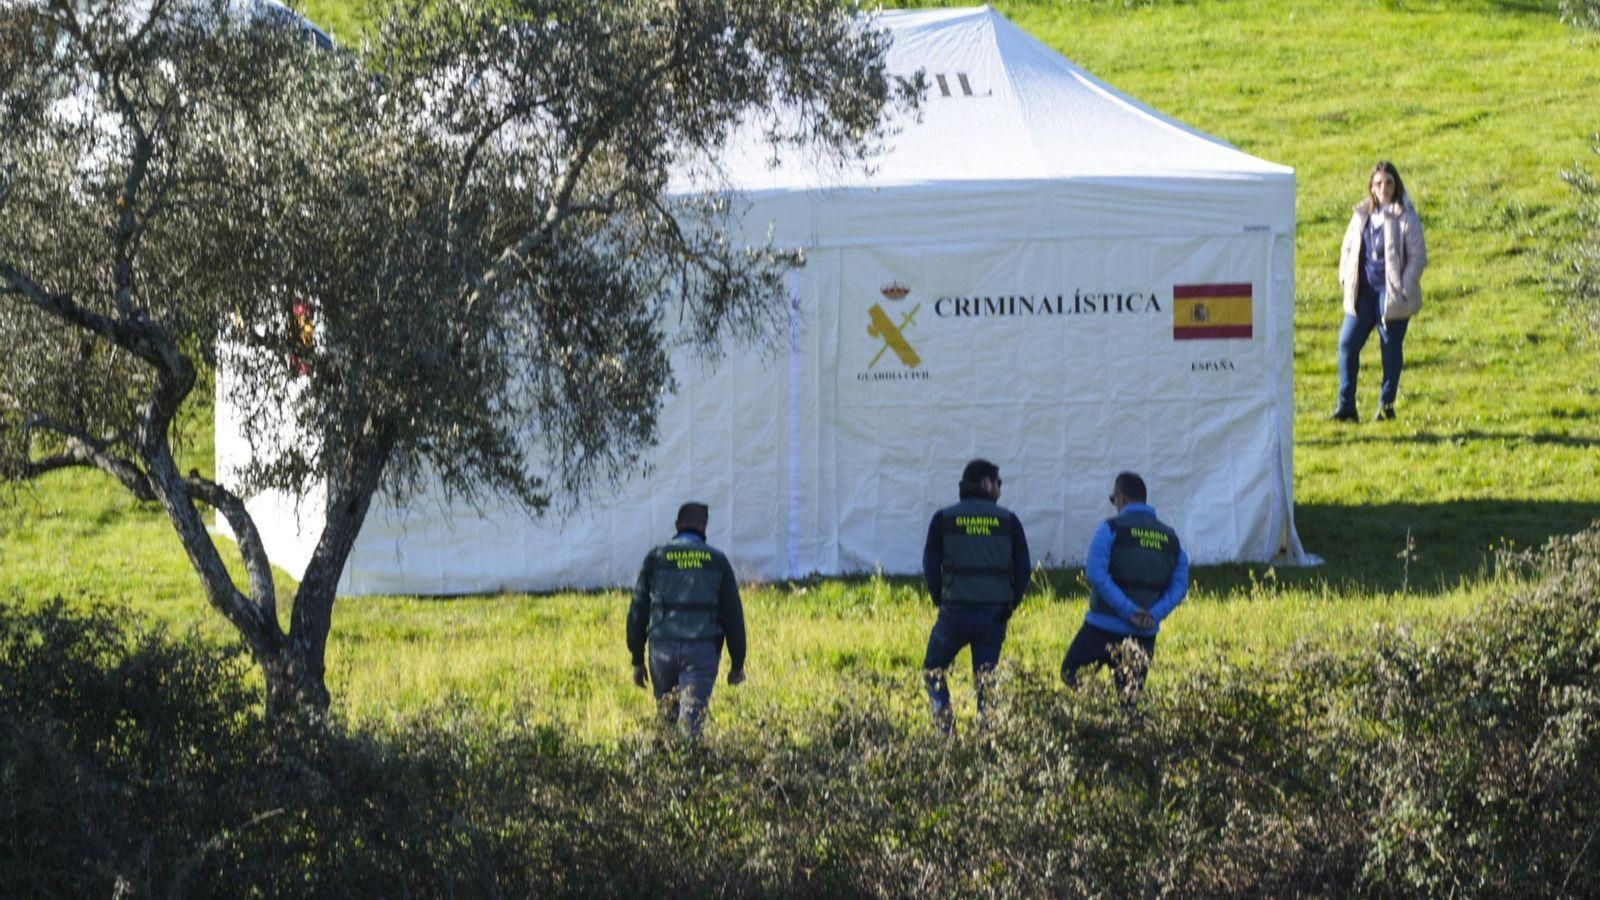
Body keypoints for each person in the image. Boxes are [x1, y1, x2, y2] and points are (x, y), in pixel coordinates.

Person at [921, 459, 1032, 731]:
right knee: (986, 681)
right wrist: (1009, 604)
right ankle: (986, 738)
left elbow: (929, 565)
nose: (1000, 491)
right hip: (993, 615)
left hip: (955, 613)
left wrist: (940, 599)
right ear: (985, 483)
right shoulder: (1009, 521)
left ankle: (945, 728)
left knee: (933, 670)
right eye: (998, 483)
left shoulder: (944, 519)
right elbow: (1024, 569)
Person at [1061, 472, 1189, 702]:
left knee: (1071, 673)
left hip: (1101, 630)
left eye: (1114, 499)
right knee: (1129, 700)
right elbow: (1179, 587)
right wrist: (1153, 614)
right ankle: (1126, 734)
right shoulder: (1171, 538)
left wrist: (1128, 611)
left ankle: (1095, 715)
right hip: (1143, 633)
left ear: (1121, 497)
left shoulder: (1110, 529)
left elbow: (1096, 573)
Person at [627, 502, 747, 738]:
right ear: (704, 527)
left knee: (666, 720)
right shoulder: (717, 561)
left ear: (677, 525)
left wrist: (637, 659)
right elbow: (733, 615)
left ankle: (662, 769)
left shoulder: (656, 558)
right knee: (691, 724)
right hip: (701, 651)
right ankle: (689, 771)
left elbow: (638, 610)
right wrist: (737, 664)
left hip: (661, 650)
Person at [1331, 160, 1428, 422]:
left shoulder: (1406, 215)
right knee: (1347, 344)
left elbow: (1418, 257)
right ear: (1371, 187)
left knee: (1390, 350)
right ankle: (1346, 407)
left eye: (1388, 183)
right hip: (1362, 293)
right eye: (1378, 183)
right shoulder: (1361, 214)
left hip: (1391, 295)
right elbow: (1348, 249)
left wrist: (1404, 288)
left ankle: (1386, 407)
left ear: (1396, 186)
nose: (1383, 188)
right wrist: (1344, 277)